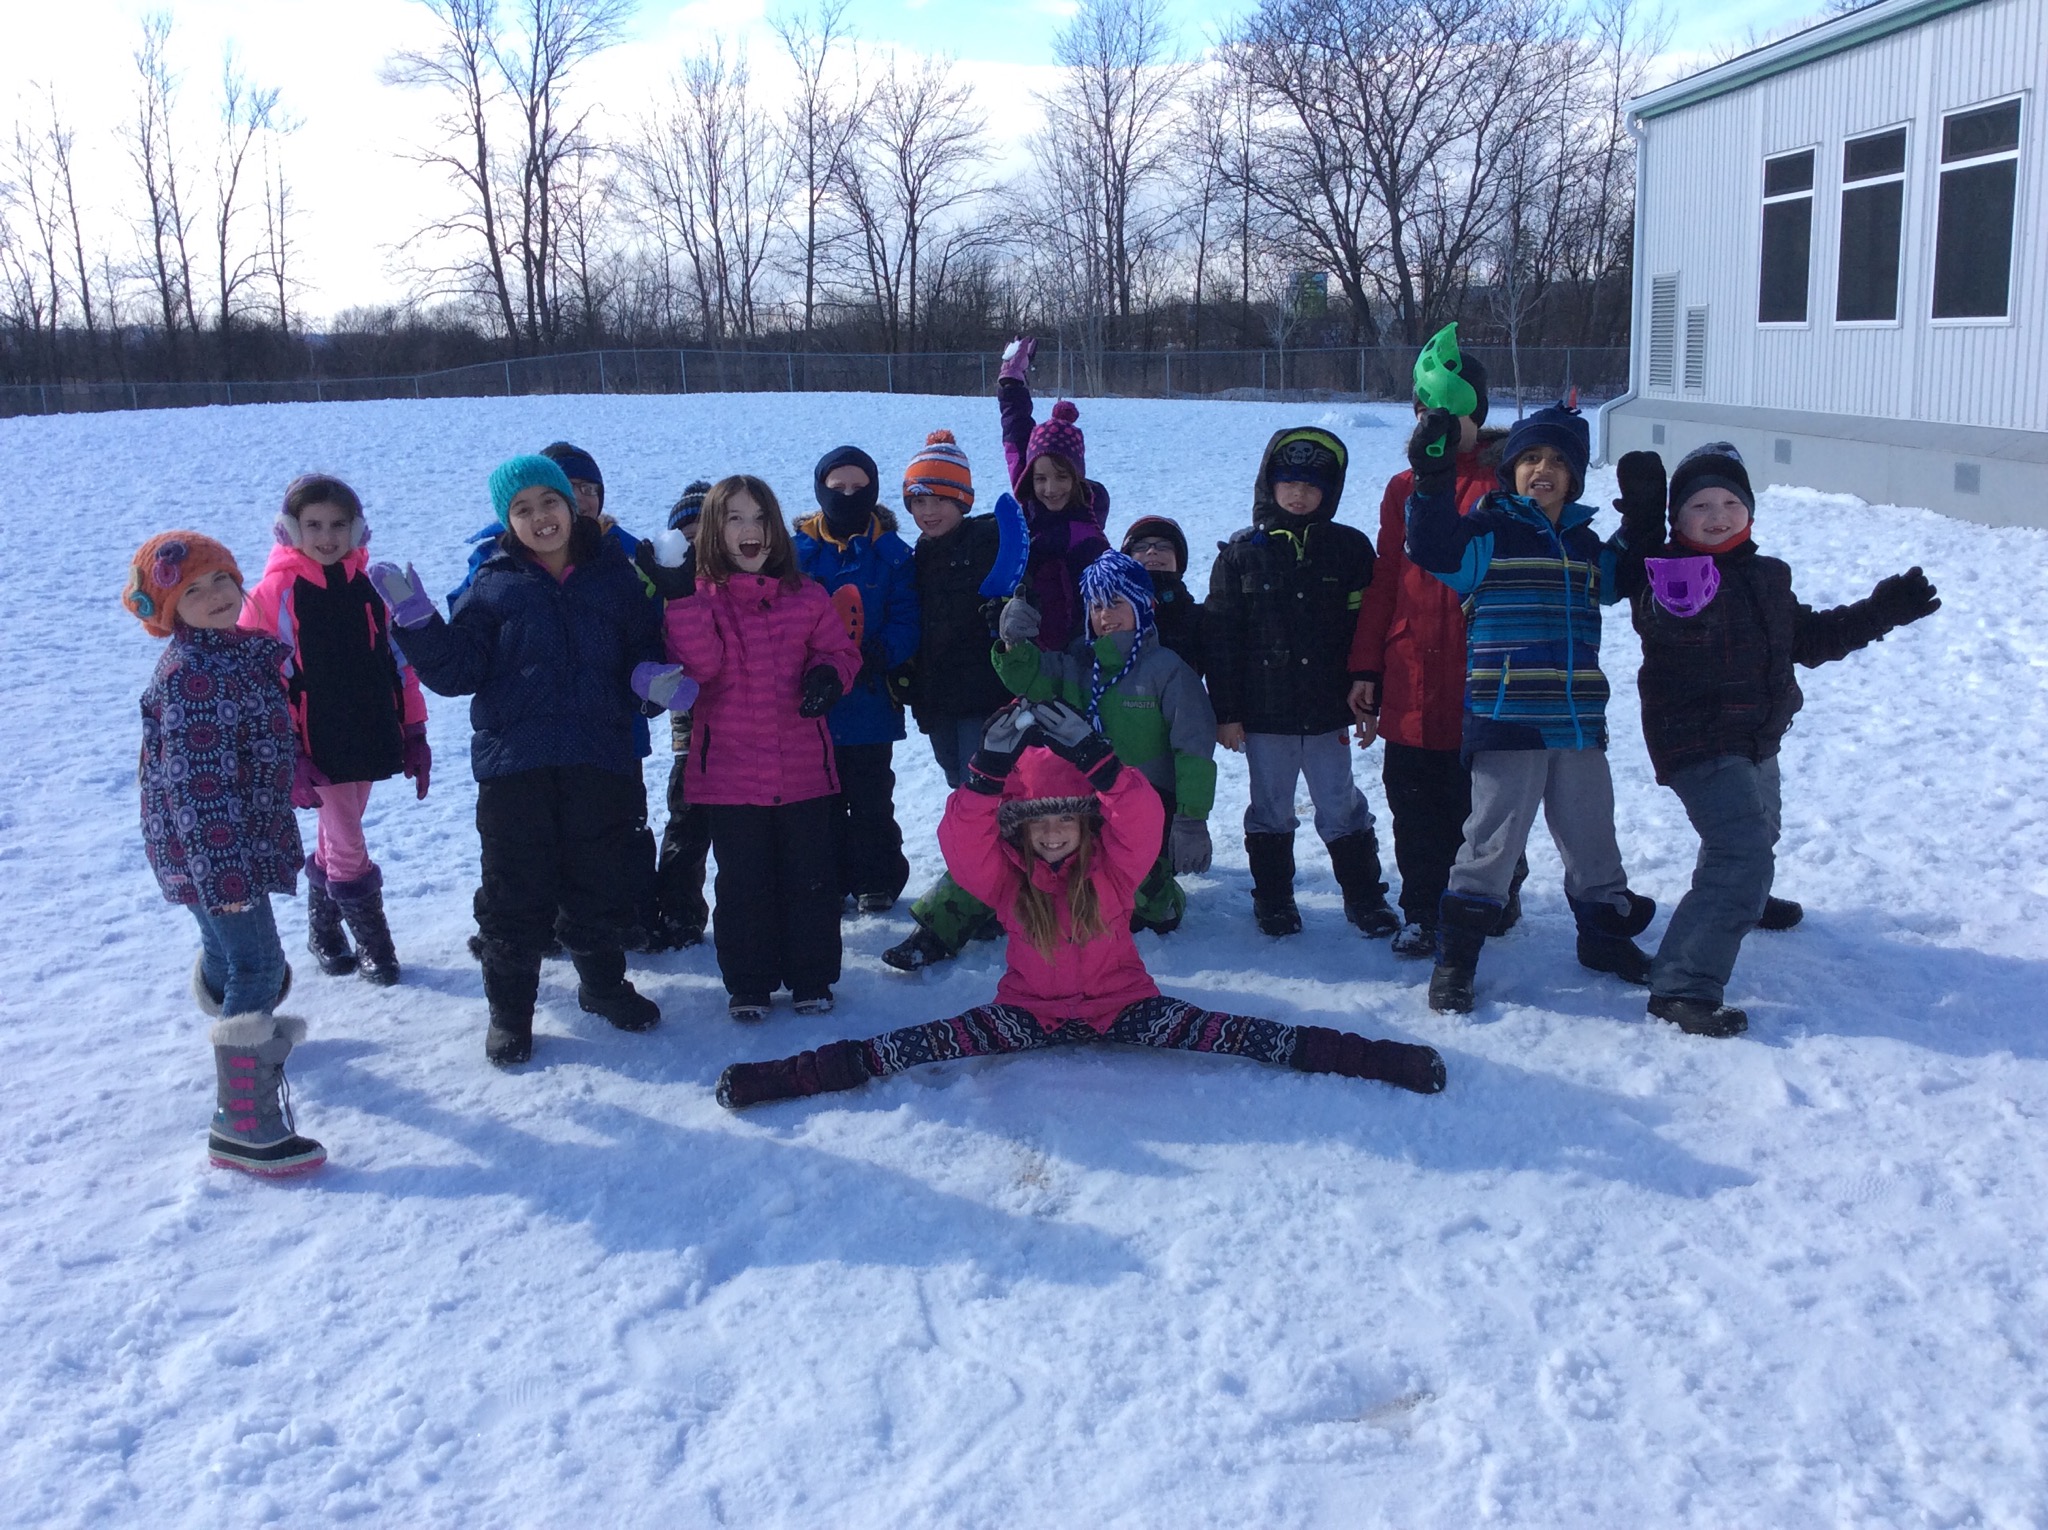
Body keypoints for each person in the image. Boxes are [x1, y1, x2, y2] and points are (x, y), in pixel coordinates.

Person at [715, 700, 1447, 1109]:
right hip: (1025, 1012)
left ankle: (1381, 1060)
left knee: (1246, 1036)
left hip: (1125, 1006)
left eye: (1067, 820)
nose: (1053, 833)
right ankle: (782, 1078)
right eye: (1039, 824)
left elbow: (1141, 819)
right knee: (903, 1048)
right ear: (1019, 831)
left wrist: (1099, 760)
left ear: (1086, 824)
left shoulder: (1114, 871)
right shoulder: (1006, 880)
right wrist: (986, 773)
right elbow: (963, 842)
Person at [1612, 443, 1942, 1037]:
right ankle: (1681, 985)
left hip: (1757, 735)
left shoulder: (1766, 575)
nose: (1717, 516)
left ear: (1750, 511)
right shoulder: (1674, 575)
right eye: (1699, 506)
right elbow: (1667, 611)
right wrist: (1643, 530)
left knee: (1758, 833)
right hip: (1698, 740)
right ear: (1677, 518)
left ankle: (1746, 896)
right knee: (1741, 851)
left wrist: (1881, 610)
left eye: (1730, 502)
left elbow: (1807, 640)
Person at [370, 455, 687, 1066]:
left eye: (549, 501)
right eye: (522, 508)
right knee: (513, 893)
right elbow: (459, 671)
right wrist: (419, 624)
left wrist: (651, 683)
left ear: (571, 505)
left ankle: (602, 987)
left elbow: (643, 653)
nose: (540, 516)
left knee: (598, 882)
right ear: (507, 520)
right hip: (514, 767)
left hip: (598, 759)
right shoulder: (493, 584)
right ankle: (510, 1014)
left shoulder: (615, 578)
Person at [1405, 402, 1656, 1014]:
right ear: (1510, 470)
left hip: (1576, 722)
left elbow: (1626, 576)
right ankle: (1456, 958)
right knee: (1491, 842)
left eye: (1558, 462)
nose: (1543, 470)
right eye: (1531, 459)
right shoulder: (1485, 535)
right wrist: (1432, 479)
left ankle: (1603, 938)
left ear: (1574, 479)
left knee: (1594, 838)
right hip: (1508, 718)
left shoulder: (1584, 545)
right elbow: (1430, 544)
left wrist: (1646, 515)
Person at [885, 550, 1217, 969]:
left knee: (1150, 906)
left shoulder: (1167, 671)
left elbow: (1194, 750)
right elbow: (1029, 677)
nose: (1105, 616)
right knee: (1004, 849)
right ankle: (935, 933)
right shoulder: (1077, 662)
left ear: (1143, 605)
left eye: (1116, 603)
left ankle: (1161, 900)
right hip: (1072, 808)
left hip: (1134, 816)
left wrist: (1190, 820)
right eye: (1096, 606)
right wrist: (1013, 644)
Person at [125, 530, 325, 1176]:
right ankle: (241, 1123)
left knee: (230, 951)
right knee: (258, 966)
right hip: (215, 851)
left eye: (222, 581)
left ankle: (242, 1029)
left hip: (217, 846)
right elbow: (198, 788)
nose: (214, 595)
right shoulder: (194, 676)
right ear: (170, 609)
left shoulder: (232, 654)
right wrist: (226, 878)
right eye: (193, 590)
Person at [661, 474, 863, 1020]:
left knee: (810, 879)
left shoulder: (807, 595)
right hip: (730, 778)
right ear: (714, 531)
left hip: (804, 771)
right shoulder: (700, 599)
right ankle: (748, 982)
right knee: (743, 884)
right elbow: (700, 667)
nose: (748, 529)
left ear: (774, 529)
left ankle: (812, 976)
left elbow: (840, 652)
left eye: (759, 518)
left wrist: (828, 673)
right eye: (734, 519)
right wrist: (681, 599)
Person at [1347, 357, 1526, 958]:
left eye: (1452, 414)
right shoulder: (1403, 487)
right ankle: (1423, 907)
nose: (1439, 426)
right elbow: (1386, 578)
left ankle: (1493, 891)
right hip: (1412, 673)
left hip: (1485, 671)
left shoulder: (1505, 482)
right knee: (1414, 801)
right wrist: (1366, 665)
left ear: (1478, 414)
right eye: (1427, 414)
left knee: (1486, 799)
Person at [1205, 427, 1398, 939]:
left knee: (1340, 804)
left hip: (1329, 711)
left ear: (1329, 492)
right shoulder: (1240, 555)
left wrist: (1368, 692)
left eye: (1312, 485)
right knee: (1270, 807)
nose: (1298, 493)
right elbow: (1221, 641)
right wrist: (1227, 713)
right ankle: (1273, 899)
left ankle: (1364, 896)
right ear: (1268, 484)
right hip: (1265, 715)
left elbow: (1368, 631)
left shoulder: (1349, 549)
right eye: (1288, 482)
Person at [242, 474, 429, 986]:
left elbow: (400, 662)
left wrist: (414, 728)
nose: (327, 537)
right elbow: (260, 684)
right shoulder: (272, 594)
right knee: (347, 839)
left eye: (338, 525)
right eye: (314, 525)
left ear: (357, 529)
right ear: (289, 529)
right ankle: (376, 946)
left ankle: (323, 932)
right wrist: (287, 751)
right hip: (314, 742)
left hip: (370, 730)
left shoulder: (372, 588)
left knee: (339, 830)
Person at [794, 445, 920, 913]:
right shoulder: (796, 554)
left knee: (871, 796)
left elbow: (908, 617)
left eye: (858, 487)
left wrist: (879, 652)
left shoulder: (893, 555)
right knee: (819, 798)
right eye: (838, 487)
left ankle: (876, 877)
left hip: (870, 699)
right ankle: (825, 878)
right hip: (811, 703)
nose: (848, 495)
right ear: (820, 489)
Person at [901, 430, 1011, 788]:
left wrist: (1007, 613)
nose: (928, 512)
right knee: (955, 777)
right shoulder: (919, 555)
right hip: (938, 698)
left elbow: (1018, 594)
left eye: (940, 500)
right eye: (919, 501)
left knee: (978, 785)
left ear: (962, 501)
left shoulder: (987, 543)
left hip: (982, 695)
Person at [995, 336, 1111, 652]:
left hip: (1073, 648)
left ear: (1077, 477)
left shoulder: (1088, 525)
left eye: (1062, 477)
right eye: (1041, 478)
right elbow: (1016, 431)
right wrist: (1011, 381)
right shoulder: (1028, 497)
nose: (1050, 488)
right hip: (1024, 643)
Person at [646, 480, 712, 949]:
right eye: (687, 538)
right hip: (691, 729)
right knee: (687, 820)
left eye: (707, 535)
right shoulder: (666, 591)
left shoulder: (745, 581)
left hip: (748, 727)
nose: (698, 547)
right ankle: (677, 911)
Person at [1121, 515, 1205, 677]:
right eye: (1141, 547)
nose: (1152, 551)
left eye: (1164, 546)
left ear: (1178, 559)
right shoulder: (1108, 612)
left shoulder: (1199, 619)